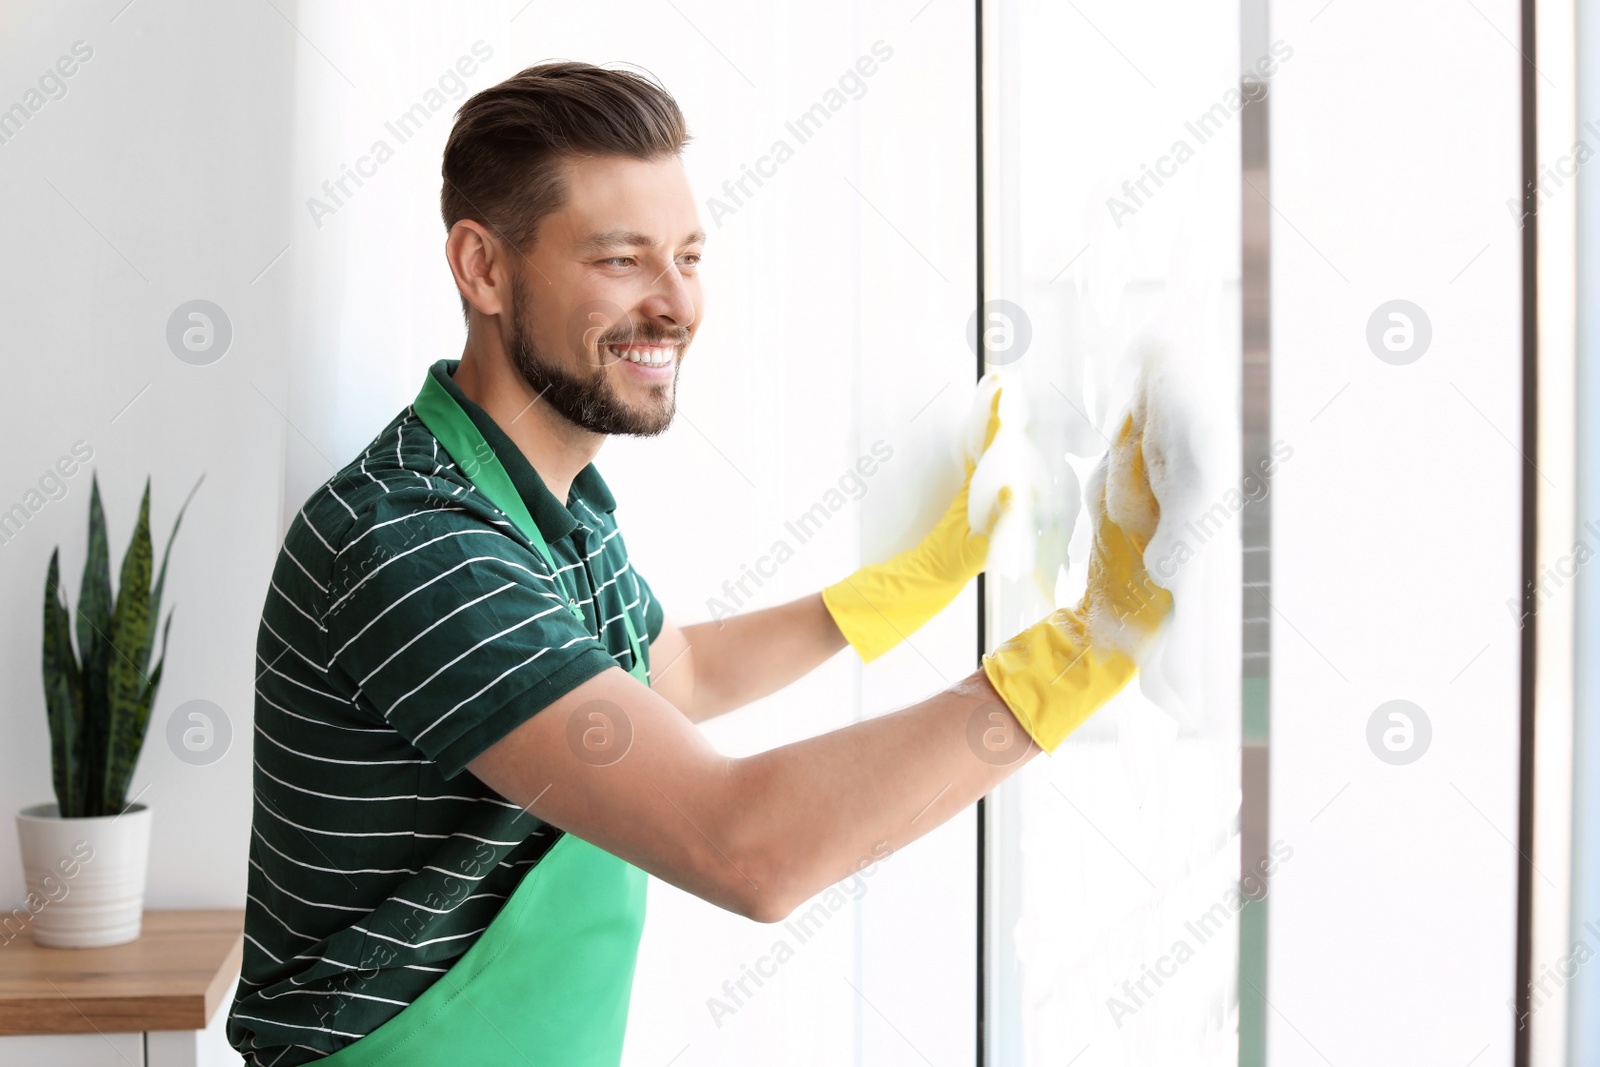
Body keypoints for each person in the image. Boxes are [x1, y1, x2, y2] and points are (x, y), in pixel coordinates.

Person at [227, 60, 1171, 1067]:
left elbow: (674, 675)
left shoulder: (551, 508)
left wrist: (926, 574)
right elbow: (747, 848)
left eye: (687, 255)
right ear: (484, 269)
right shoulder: (416, 541)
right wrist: (1081, 651)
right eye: (622, 260)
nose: (676, 305)